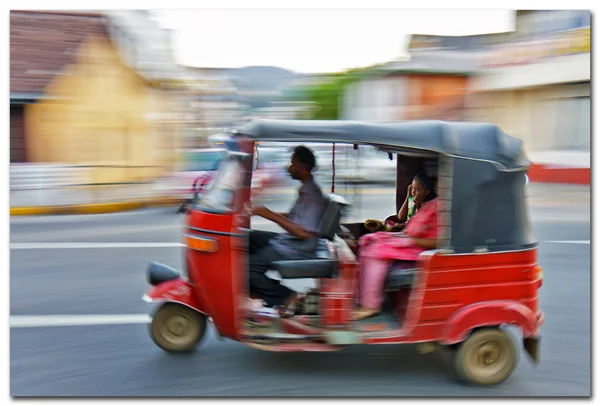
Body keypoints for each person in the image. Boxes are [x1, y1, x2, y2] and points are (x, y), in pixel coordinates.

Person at [244, 145, 325, 317]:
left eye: (292, 163)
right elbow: (295, 218)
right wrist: (259, 211)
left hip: (297, 247)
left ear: (302, 167)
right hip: (289, 241)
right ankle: (254, 291)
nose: (289, 167)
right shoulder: (306, 190)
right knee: (246, 238)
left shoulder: (312, 195)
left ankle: (285, 297)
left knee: (244, 268)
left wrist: (267, 213)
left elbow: (304, 233)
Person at [354, 173, 439, 320]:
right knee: (368, 240)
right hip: (408, 241)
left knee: (375, 253)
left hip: (418, 250)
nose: (413, 193)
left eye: (417, 189)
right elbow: (405, 222)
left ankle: (370, 305)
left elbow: (436, 241)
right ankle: (358, 297)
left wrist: (409, 240)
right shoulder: (427, 205)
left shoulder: (441, 208)